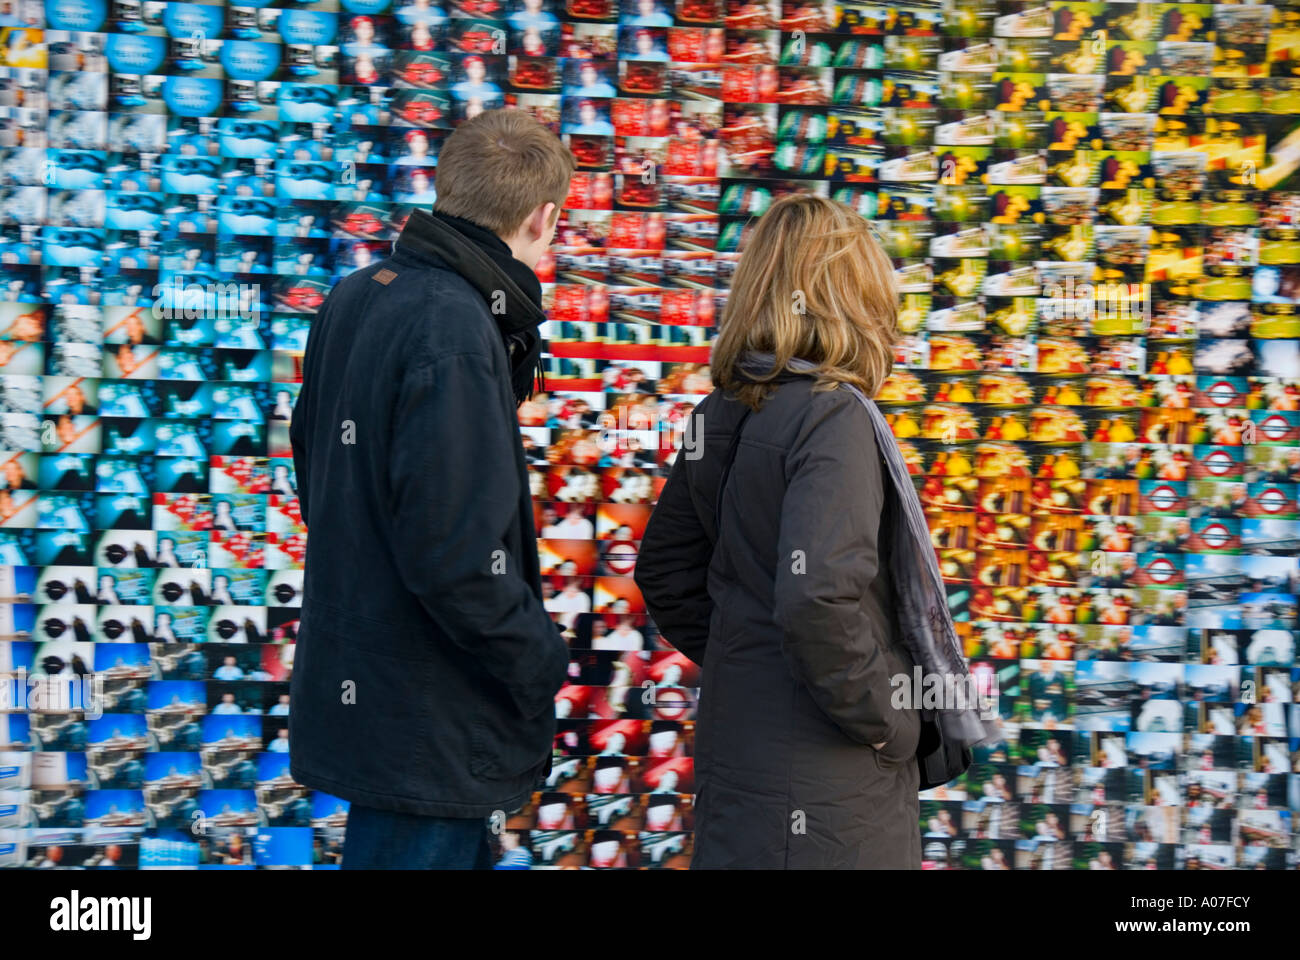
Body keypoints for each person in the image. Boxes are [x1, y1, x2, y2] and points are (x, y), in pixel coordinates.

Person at [289, 109, 576, 869]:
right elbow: (453, 555)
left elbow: (313, 472)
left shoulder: (357, 296)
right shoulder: (452, 327)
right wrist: (537, 656)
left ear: (446, 188)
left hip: (389, 706)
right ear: (544, 218)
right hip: (429, 719)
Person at [633, 193, 923, 869]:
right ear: (855, 294)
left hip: (743, 765)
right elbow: (815, 597)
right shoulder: (833, 417)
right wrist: (891, 717)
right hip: (826, 796)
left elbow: (667, 573)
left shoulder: (720, 410)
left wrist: (750, 660)